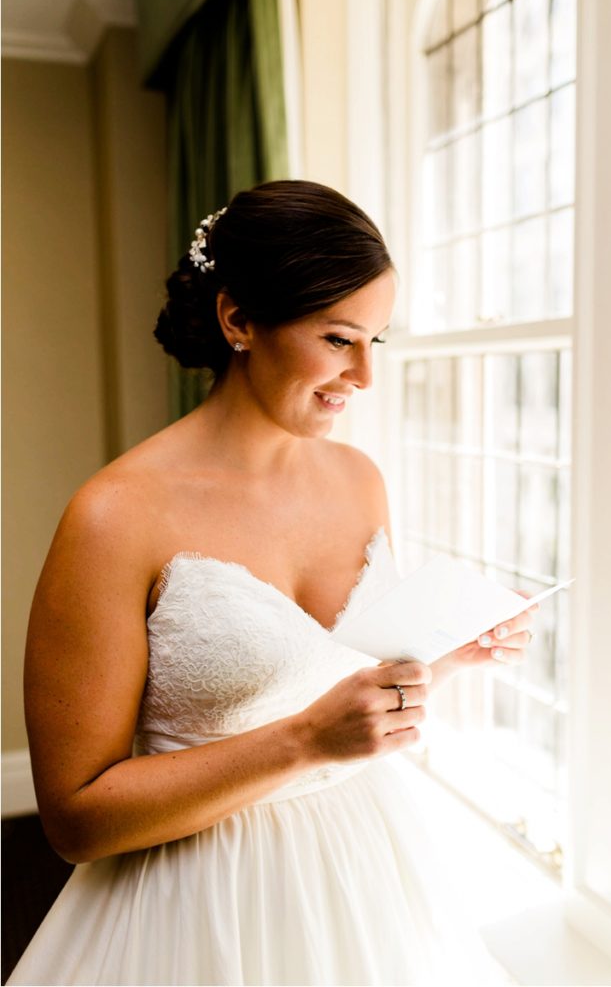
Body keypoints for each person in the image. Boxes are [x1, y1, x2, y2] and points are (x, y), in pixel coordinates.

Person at [8, 180, 536, 987]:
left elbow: (329, 678)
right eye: (336, 339)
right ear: (238, 321)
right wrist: (302, 743)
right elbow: (77, 819)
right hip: (198, 900)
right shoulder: (115, 515)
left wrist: (442, 656)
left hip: (366, 871)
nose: (362, 376)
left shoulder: (359, 480)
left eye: (376, 343)